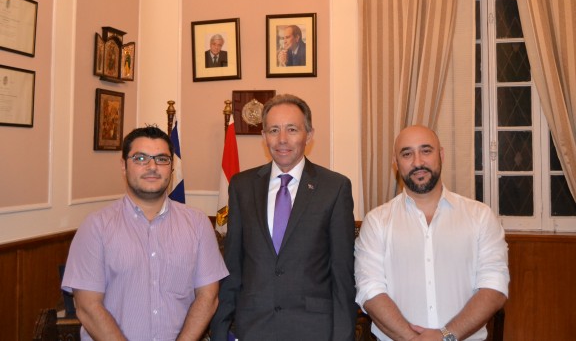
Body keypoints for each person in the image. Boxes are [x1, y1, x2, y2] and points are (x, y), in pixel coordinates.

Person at [210, 94, 357, 341]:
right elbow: (233, 266)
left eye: (292, 129)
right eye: (274, 130)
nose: (282, 140)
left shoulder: (334, 187)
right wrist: (220, 329)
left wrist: (343, 336)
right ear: (264, 136)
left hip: (313, 330)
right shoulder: (242, 186)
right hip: (254, 327)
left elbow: (342, 274)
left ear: (309, 135)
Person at [62, 125, 229, 340]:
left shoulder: (198, 224)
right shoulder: (96, 227)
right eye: (140, 158)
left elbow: (208, 297)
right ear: (124, 166)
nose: (152, 167)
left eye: (162, 159)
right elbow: (87, 307)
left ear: (172, 167)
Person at [355, 125, 509, 341]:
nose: (418, 162)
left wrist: (446, 336)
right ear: (395, 163)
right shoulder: (376, 222)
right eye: (407, 154)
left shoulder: (480, 217)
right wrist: (413, 339)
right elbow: (369, 290)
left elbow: (494, 286)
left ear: (441, 155)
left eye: (426, 151)